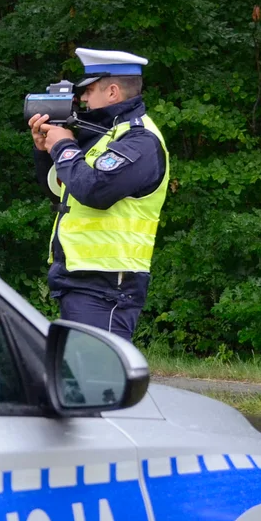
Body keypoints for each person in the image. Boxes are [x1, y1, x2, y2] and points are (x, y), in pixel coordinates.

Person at [28, 47, 169, 342]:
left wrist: (64, 147)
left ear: (113, 91)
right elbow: (60, 192)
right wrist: (46, 150)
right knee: (81, 377)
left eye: (88, 91)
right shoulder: (105, 138)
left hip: (107, 285)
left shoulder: (139, 141)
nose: (81, 100)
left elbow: (94, 191)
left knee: (96, 380)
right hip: (83, 280)